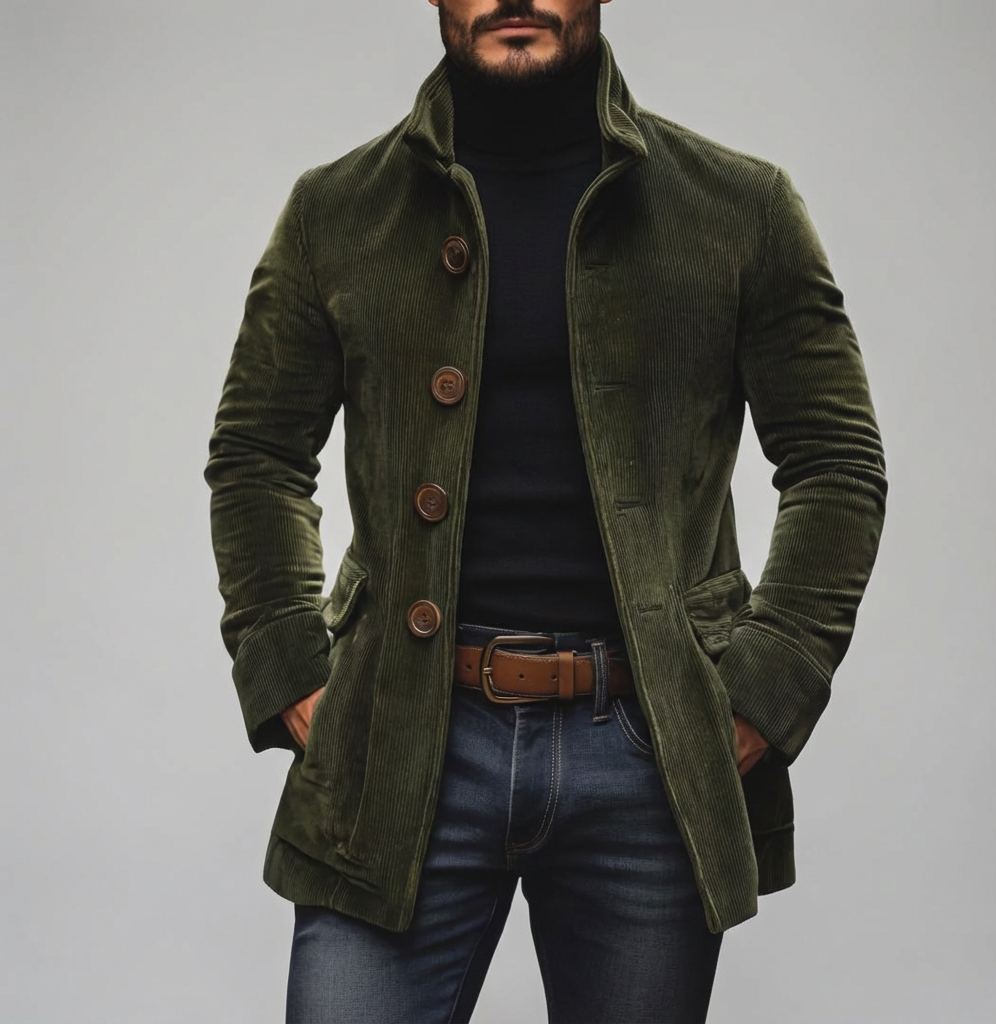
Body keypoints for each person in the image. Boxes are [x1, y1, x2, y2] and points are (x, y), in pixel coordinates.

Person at [205, 1, 887, 1020]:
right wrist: (291, 668)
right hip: (398, 746)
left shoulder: (741, 208)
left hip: (650, 755)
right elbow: (257, 455)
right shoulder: (333, 213)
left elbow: (837, 460)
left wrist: (763, 690)